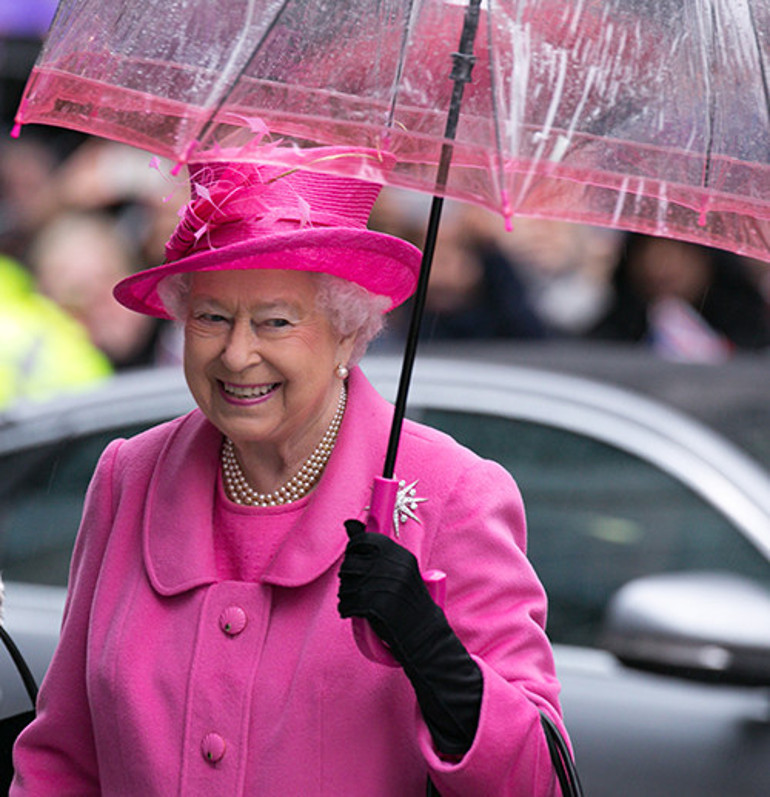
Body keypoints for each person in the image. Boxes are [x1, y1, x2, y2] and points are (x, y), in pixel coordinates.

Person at [11, 157, 569, 795]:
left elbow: (538, 781)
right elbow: (60, 760)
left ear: (347, 335)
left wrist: (439, 659)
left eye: (275, 321)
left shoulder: (452, 493)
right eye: (212, 317)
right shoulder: (127, 477)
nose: (237, 353)